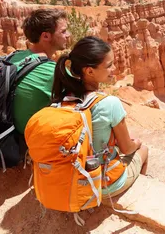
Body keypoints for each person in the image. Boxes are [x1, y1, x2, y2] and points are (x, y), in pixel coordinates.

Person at [51, 36, 149, 199]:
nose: (114, 69)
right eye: (109, 65)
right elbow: (127, 149)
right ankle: (140, 194)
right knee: (143, 150)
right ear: (89, 71)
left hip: (72, 177)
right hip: (101, 183)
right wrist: (137, 143)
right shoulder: (110, 103)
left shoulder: (64, 98)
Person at [10, 8, 70, 134]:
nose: (68, 35)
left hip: (6, 135)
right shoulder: (53, 72)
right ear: (46, 36)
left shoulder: (14, 56)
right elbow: (86, 100)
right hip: (29, 145)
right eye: (63, 31)